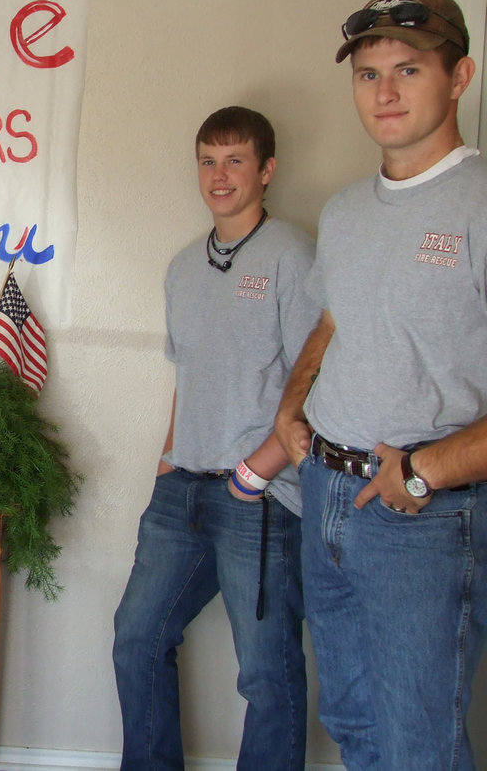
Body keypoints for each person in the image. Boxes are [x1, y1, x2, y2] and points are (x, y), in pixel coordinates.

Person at [274, 0, 483, 770]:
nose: (385, 93)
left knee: (416, 745)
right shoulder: (346, 210)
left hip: (418, 518)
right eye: (368, 75)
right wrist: (292, 412)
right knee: (355, 724)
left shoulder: (479, 202)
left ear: (459, 77)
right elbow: (334, 320)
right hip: (325, 493)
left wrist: (424, 474)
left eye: (408, 70)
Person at [113, 106, 318, 770]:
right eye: (208, 160)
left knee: (266, 672)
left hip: (259, 497)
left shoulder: (292, 255)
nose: (219, 175)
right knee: (137, 637)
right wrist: (168, 462)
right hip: (184, 492)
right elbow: (189, 377)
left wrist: (256, 471)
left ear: (267, 170)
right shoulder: (182, 268)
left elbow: (315, 379)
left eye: (235, 160)